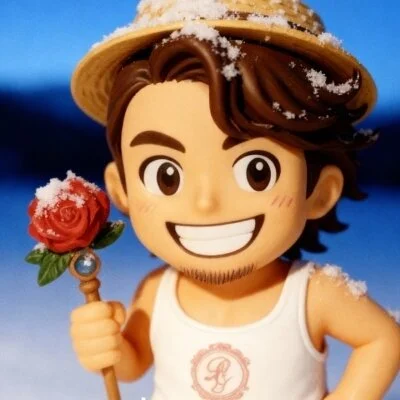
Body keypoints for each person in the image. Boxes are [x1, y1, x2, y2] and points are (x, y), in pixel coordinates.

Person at [69, 1, 400, 399]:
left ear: (319, 191)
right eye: (166, 176)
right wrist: (107, 346)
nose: (205, 203)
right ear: (121, 188)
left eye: (257, 172)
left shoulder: (312, 293)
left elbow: (382, 339)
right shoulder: (157, 292)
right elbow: (135, 362)